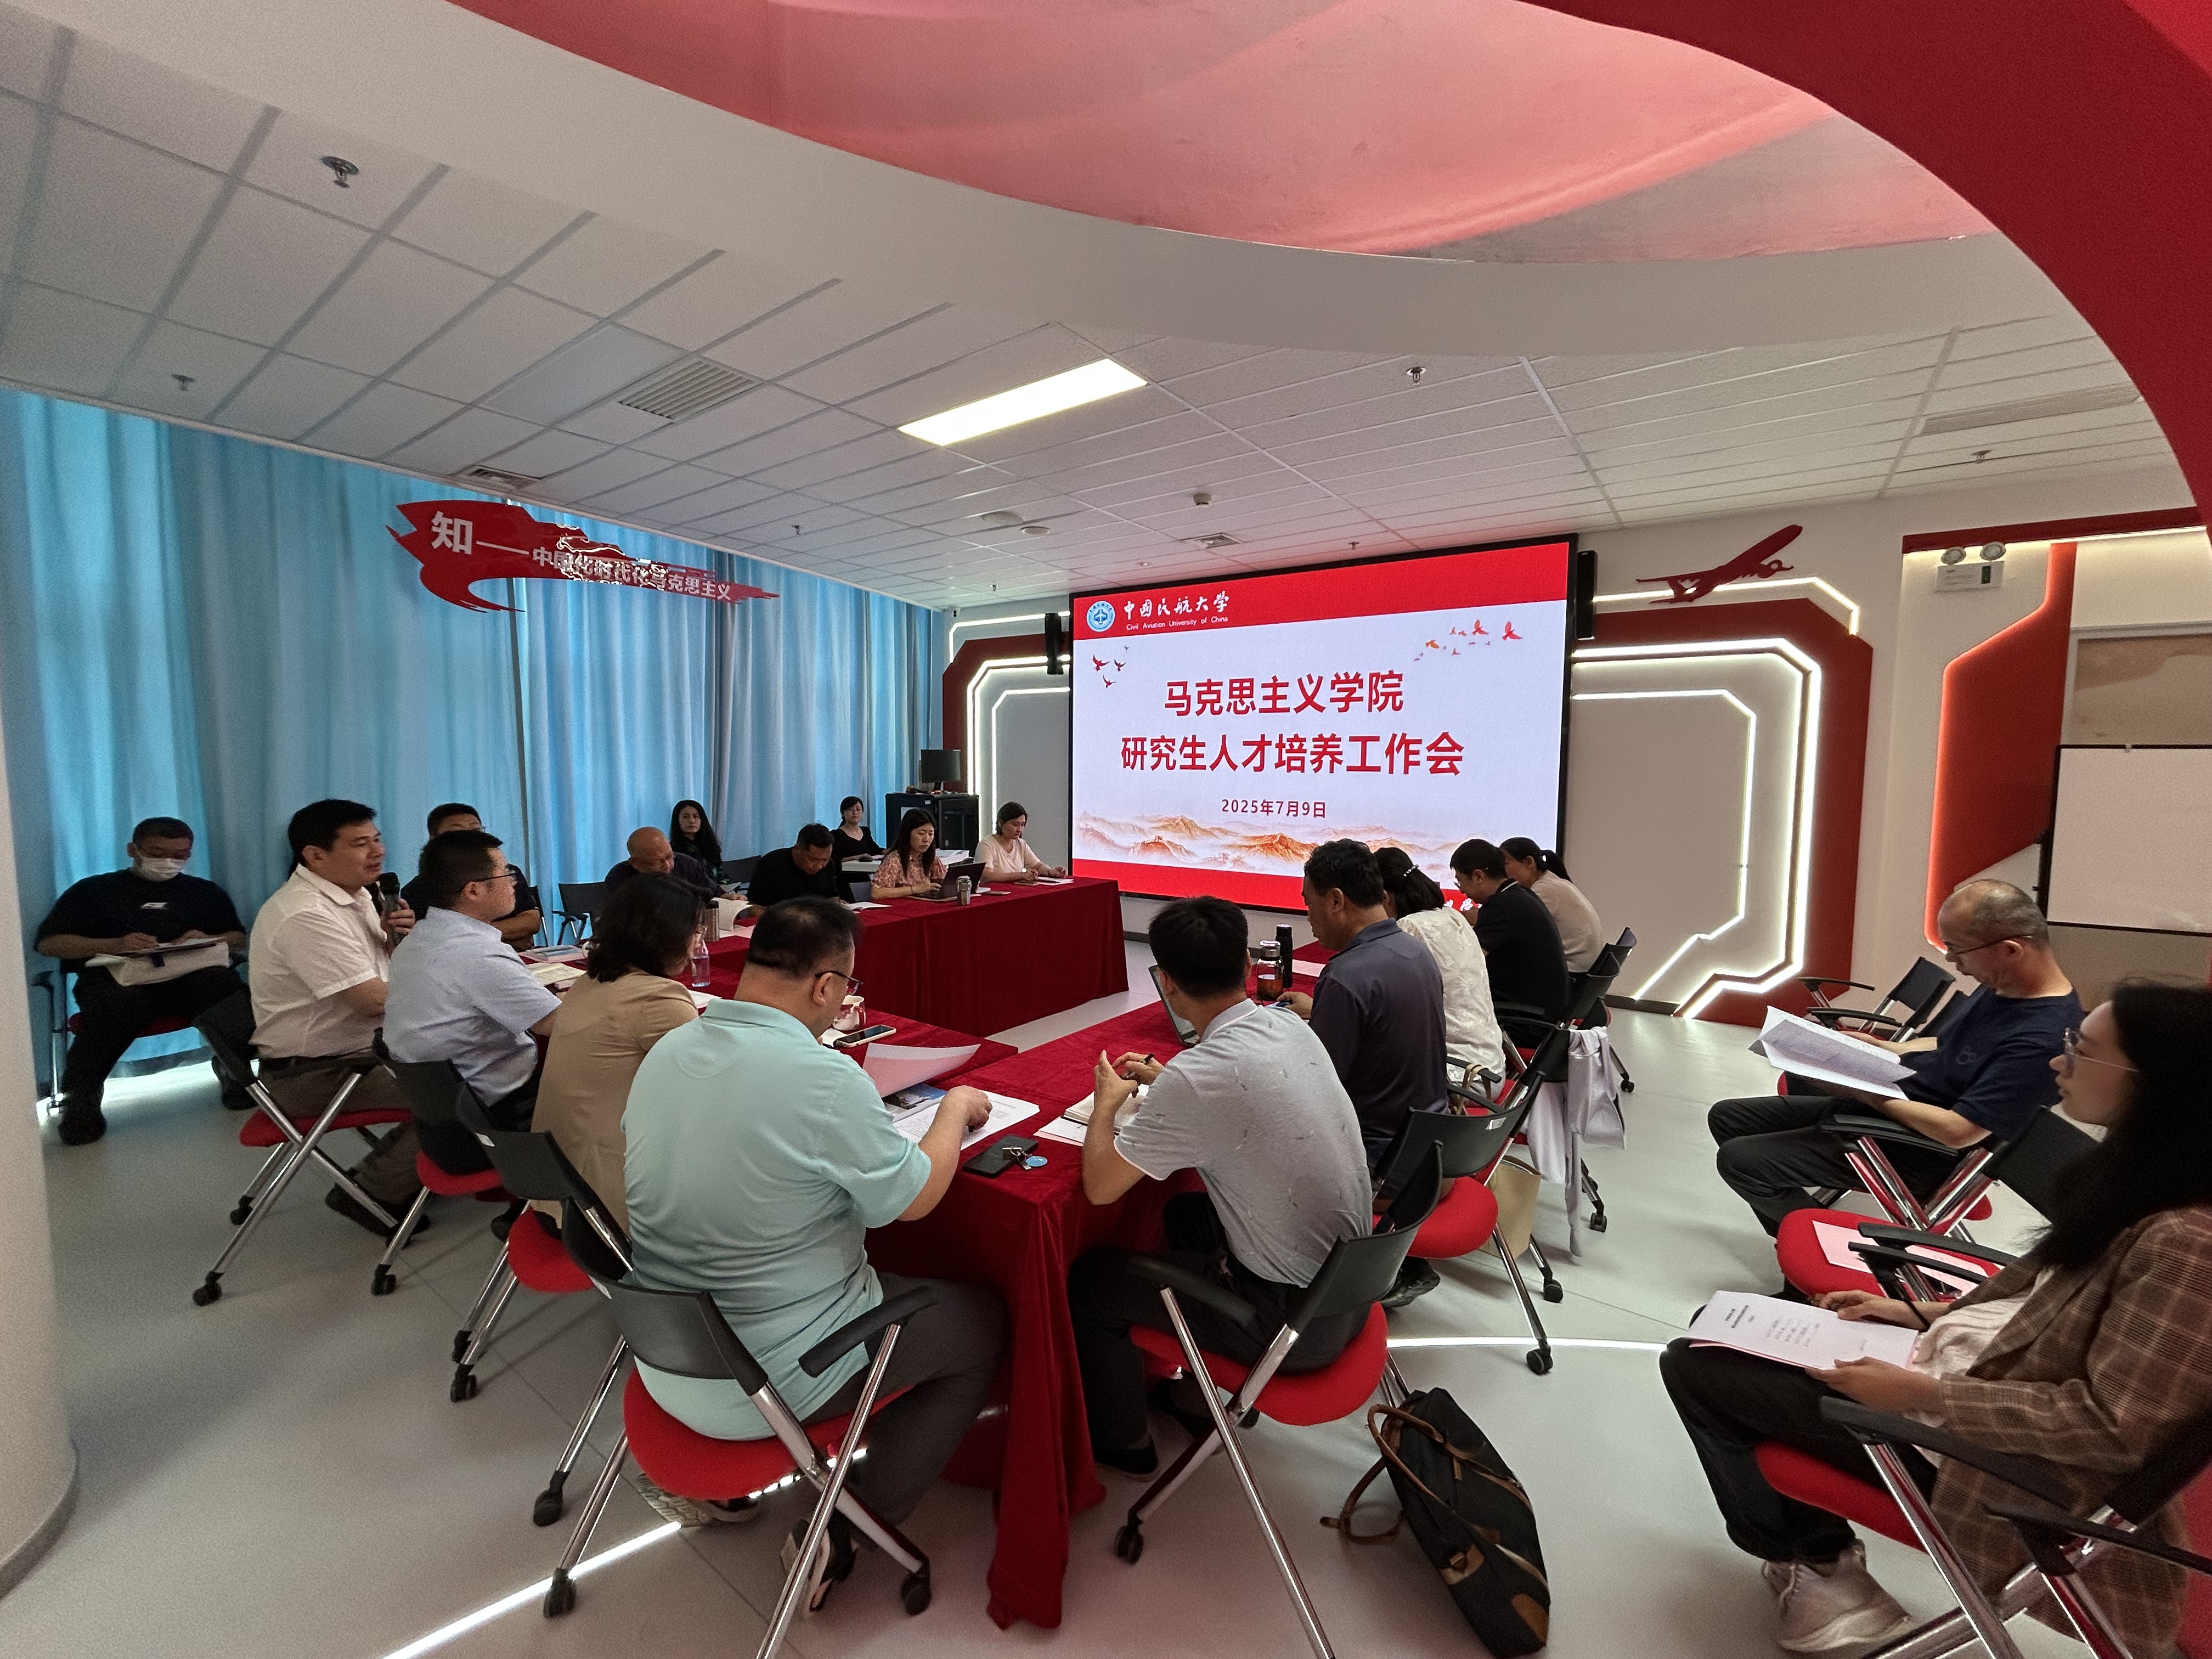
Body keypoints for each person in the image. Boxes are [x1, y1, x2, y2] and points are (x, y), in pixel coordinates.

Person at [1664, 981, 2212, 1659]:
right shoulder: (2143, 1178)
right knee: (1719, 1334)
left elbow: (2111, 1428)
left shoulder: (2188, 1243)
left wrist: (1921, 1394)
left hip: (2020, 1478)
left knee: (1699, 1369)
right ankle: (1818, 1564)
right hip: (1972, 1388)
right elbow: (2042, 1295)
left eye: (2082, 1049)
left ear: (2153, 1083)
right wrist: (1917, 1310)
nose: (2059, 1060)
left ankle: (1822, 1570)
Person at [623, 897, 1007, 1589]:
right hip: (768, 1381)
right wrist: (952, 1110)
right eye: (848, 987)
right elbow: (913, 1201)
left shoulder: (669, 1051)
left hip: (663, 1357)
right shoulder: (824, 1078)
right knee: (981, 1325)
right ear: (826, 986)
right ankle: (852, 1522)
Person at [1069, 896, 1371, 1475]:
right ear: (1246, 964)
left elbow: (1101, 1187)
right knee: (1186, 1213)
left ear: (1166, 982)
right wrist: (1169, 1082)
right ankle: (1192, 1389)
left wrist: (1107, 1105)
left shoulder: (1199, 1075)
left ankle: (1124, 1443)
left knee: (1093, 1281)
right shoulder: (1289, 1025)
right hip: (1350, 1290)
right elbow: (1245, 1099)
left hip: (1291, 1326)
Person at [1707, 881, 2082, 1237]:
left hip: (1921, 1150)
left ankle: (1826, 1245)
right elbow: (1949, 1045)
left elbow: (1958, 1132)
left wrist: (1862, 1090)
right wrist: (1888, 1049)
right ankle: (1803, 1227)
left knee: (1741, 1161)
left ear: (2011, 950)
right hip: (1896, 1109)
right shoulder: (2005, 986)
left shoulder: (2042, 1040)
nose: (1951, 959)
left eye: (1957, 949)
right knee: (1729, 1118)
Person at [248, 799, 424, 1236]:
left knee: (473, 1065)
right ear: (315, 855)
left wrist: (394, 938)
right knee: (463, 1091)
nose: (378, 851)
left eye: (377, 839)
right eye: (361, 844)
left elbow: (382, 974)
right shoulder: (305, 914)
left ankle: (395, 1172)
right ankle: (373, 1195)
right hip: (317, 1073)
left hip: (362, 1051)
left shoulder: (357, 893)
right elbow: (371, 1000)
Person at [34, 816, 250, 1144]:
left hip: (187, 977)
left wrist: (208, 938)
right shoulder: (93, 891)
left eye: (180, 855)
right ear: (132, 850)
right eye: (158, 853)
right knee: (121, 1004)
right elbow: (49, 944)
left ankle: (235, 1071)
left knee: (222, 987)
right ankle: (82, 1099)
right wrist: (113, 945)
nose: (169, 862)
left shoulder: (203, 892)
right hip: (117, 981)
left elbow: (237, 939)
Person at [384, 828, 562, 1173]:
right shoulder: (476, 954)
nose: (514, 882)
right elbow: (557, 1025)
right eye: (506, 874)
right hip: (497, 1120)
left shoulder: (419, 939)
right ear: (474, 890)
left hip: (443, 1117)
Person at [532, 874, 704, 1231]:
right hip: (600, 1205)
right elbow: (707, 1088)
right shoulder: (658, 999)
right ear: (669, 937)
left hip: (550, 1181)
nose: (696, 944)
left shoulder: (590, 981)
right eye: (695, 932)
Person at [1278, 839, 1447, 1177]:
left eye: (1308, 903)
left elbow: (1314, 1090)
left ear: (1336, 900)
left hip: (1376, 1163)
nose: (1308, 917)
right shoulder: (1416, 951)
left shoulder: (1346, 976)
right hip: (1433, 1150)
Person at [1376, 848, 1505, 1086]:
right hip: (1491, 1065)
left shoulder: (1409, 928)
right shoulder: (1452, 916)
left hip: (1456, 1076)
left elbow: (1386, 1009)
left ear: (1385, 898)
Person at [1450, 837, 1569, 1045]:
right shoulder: (1521, 895)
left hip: (1526, 1023)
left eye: (1460, 881)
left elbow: (1468, 963)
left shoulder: (1501, 906)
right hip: (1546, 1012)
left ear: (1478, 876)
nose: (1461, 891)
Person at [400, 803, 542, 948]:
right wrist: (501, 936)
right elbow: (429, 938)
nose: (471, 839)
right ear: (434, 839)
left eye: (476, 831)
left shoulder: (505, 873)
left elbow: (531, 922)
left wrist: (464, 935)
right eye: (457, 833)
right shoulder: (415, 890)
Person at [1500, 836, 1604, 974]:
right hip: (1584, 970)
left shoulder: (1545, 889)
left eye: (1505, 863)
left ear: (1529, 862)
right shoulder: (1554, 882)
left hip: (1572, 972)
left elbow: (1516, 928)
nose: (1501, 871)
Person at [744, 823, 843, 910]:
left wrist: (836, 906)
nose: (819, 866)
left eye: (825, 860)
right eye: (813, 860)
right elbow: (755, 907)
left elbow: (832, 896)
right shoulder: (771, 864)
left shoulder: (829, 865)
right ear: (798, 849)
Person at [605, 827, 714, 900]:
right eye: (658, 861)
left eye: (670, 857)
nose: (667, 866)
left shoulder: (688, 865)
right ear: (636, 863)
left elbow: (714, 894)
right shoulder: (620, 877)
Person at [978, 801, 1065, 881]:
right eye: (1016, 825)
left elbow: (1037, 866)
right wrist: (1020, 875)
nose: (1020, 830)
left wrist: (1050, 872)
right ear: (1001, 823)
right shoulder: (987, 844)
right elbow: (988, 875)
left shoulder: (1021, 844)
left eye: (1023, 825)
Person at [872, 809, 947, 899]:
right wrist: (916, 889)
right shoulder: (894, 860)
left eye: (931, 834)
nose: (926, 839)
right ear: (907, 834)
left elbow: (947, 882)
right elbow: (876, 893)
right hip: (900, 906)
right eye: (921, 833)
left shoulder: (932, 859)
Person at [668, 799, 724, 876]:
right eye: (686, 817)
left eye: (695, 816)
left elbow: (721, 874)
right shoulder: (673, 850)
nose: (692, 821)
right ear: (677, 821)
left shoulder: (710, 845)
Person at [830, 797, 882, 862]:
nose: (855, 812)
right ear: (843, 813)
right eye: (850, 809)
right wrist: (857, 858)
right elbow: (833, 859)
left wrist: (891, 850)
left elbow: (876, 850)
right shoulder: (836, 835)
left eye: (858, 809)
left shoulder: (866, 831)